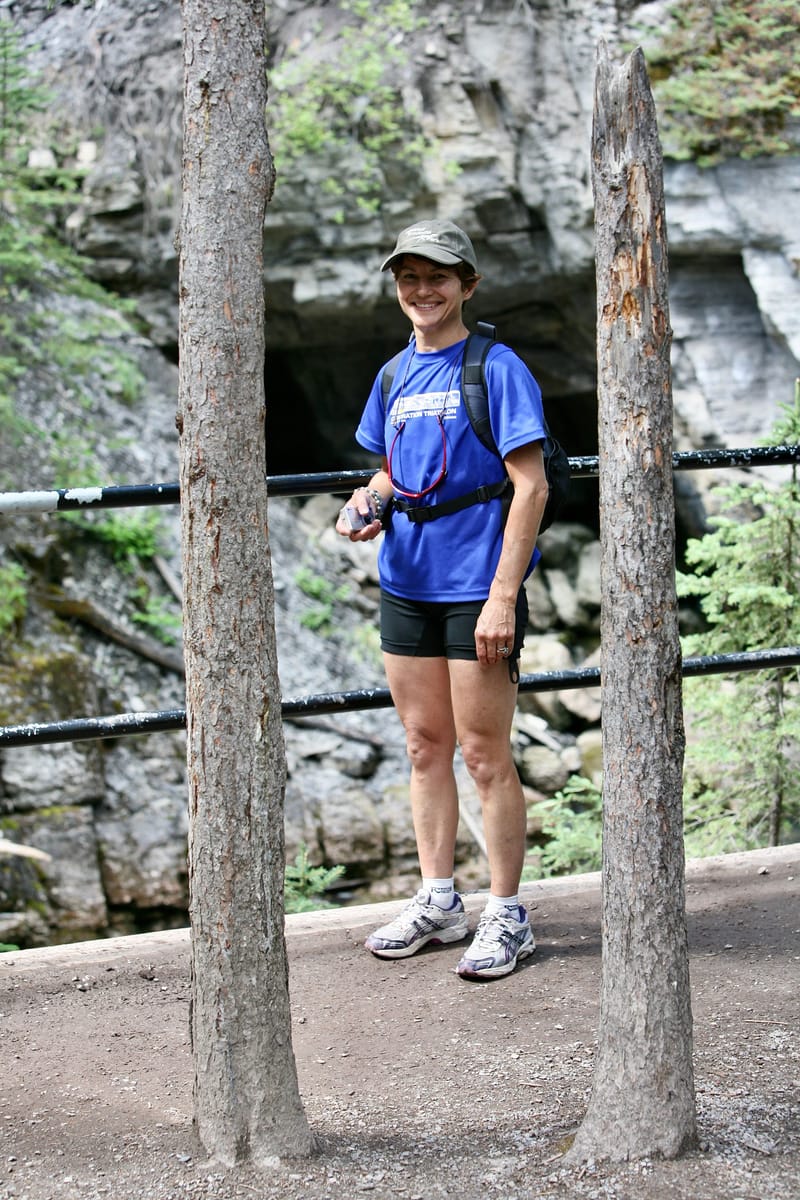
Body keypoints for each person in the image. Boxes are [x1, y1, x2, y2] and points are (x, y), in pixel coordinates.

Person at [335, 219, 549, 980]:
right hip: (407, 583)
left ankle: (507, 915)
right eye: (409, 278)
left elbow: (531, 484)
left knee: (485, 754)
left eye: (437, 278)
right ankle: (438, 900)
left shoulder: (497, 367)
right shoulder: (393, 376)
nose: (422, 291)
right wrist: (366, 500)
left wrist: (502, 597)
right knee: (425, 747)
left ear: (468, 285)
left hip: (474, 589)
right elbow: (396, 470)